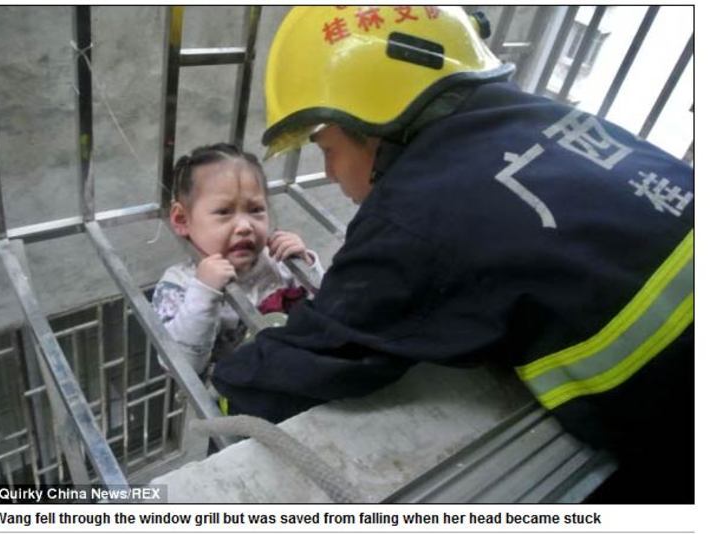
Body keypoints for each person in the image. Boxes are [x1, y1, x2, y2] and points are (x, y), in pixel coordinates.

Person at [211, 7, 694, 502]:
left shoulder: (414, 216)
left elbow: (313, 360)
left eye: (327, 147)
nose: (330, 173)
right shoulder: (539, 115)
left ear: (374, 119)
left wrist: (224, 394)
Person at [153, 143, 324, 379]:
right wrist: (204, 292)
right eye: (224, 212)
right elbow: (181, 369)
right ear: (182, 219)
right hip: (227, 403)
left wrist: (307, 265)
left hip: (294, 379)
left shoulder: (279, 261)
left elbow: (327, 315)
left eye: (255, 210)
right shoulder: (178, 285)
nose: (245, 226)